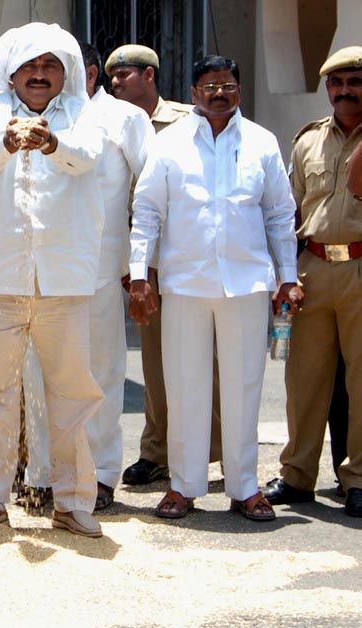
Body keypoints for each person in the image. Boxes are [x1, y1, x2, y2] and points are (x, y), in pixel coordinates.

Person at [129, 55, 300, 521]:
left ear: (239, 91)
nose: (219, 93)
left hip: (246, 284)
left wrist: (287, 276)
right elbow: (147, 211)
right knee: (184, 385)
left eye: (227, 85)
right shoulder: (170, 143)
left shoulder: (262, 142)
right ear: (193, 93)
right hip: (185, 284)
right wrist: (141, 275)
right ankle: (183, 486)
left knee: (244, 386)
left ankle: (244, 487)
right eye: (209, 86)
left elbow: (279, 214)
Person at [0, 22, 106, 537]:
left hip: (64, 280)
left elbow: (85, 158)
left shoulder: (81, 111)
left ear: (65, 74)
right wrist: (7, 144)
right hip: (1, 277)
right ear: (11, 74)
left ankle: (72, 501)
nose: (40, 74)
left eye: (50, 66)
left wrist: (50, 143)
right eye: (30, 66)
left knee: (72, 392)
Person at [20, 42, 153, 510]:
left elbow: (149, 191)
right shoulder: (37, 114)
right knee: (39, 373)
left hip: (98, 267)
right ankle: (42, 474)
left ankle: (99, 474)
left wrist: (140, 266)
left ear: (89, 73)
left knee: (100, 375)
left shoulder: (123, 118)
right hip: (40, 269)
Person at [106, 44, 223, 486]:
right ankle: (157, 451)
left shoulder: (185, 120)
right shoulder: (109, 123)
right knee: (155, 362)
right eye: (112, 76)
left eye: (125, 74)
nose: (116, 82)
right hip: (141, 257)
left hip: (188, 253)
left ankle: (218, 449)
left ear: (149, 76)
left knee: (207, 358)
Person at [264, 47, 362, 517]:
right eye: (337, 83)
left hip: (361, 266)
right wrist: (284, 276)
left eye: (355, 82)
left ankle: (358, 478)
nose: (345, 91)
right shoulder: (308, 141)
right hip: (313, 268)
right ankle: (297, 475)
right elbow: (290, 213)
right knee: (303, 379)